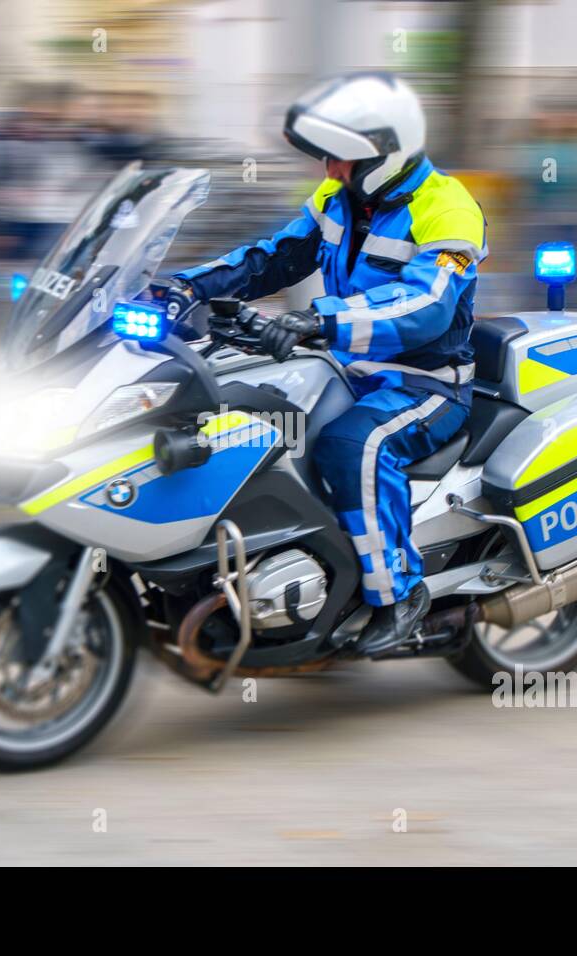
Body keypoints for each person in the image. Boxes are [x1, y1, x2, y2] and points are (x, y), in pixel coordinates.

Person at [167, 73, 487, 655]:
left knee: (352, 446)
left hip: (424, 385)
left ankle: (398, 594)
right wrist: (184, 287)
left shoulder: (449, 209)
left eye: (339, 160)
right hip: (345, 367)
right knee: (243, 420)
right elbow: (273, 257)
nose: (329, 171)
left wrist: (320, 320)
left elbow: (428, 305)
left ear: (382, 154)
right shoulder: (337, 200)